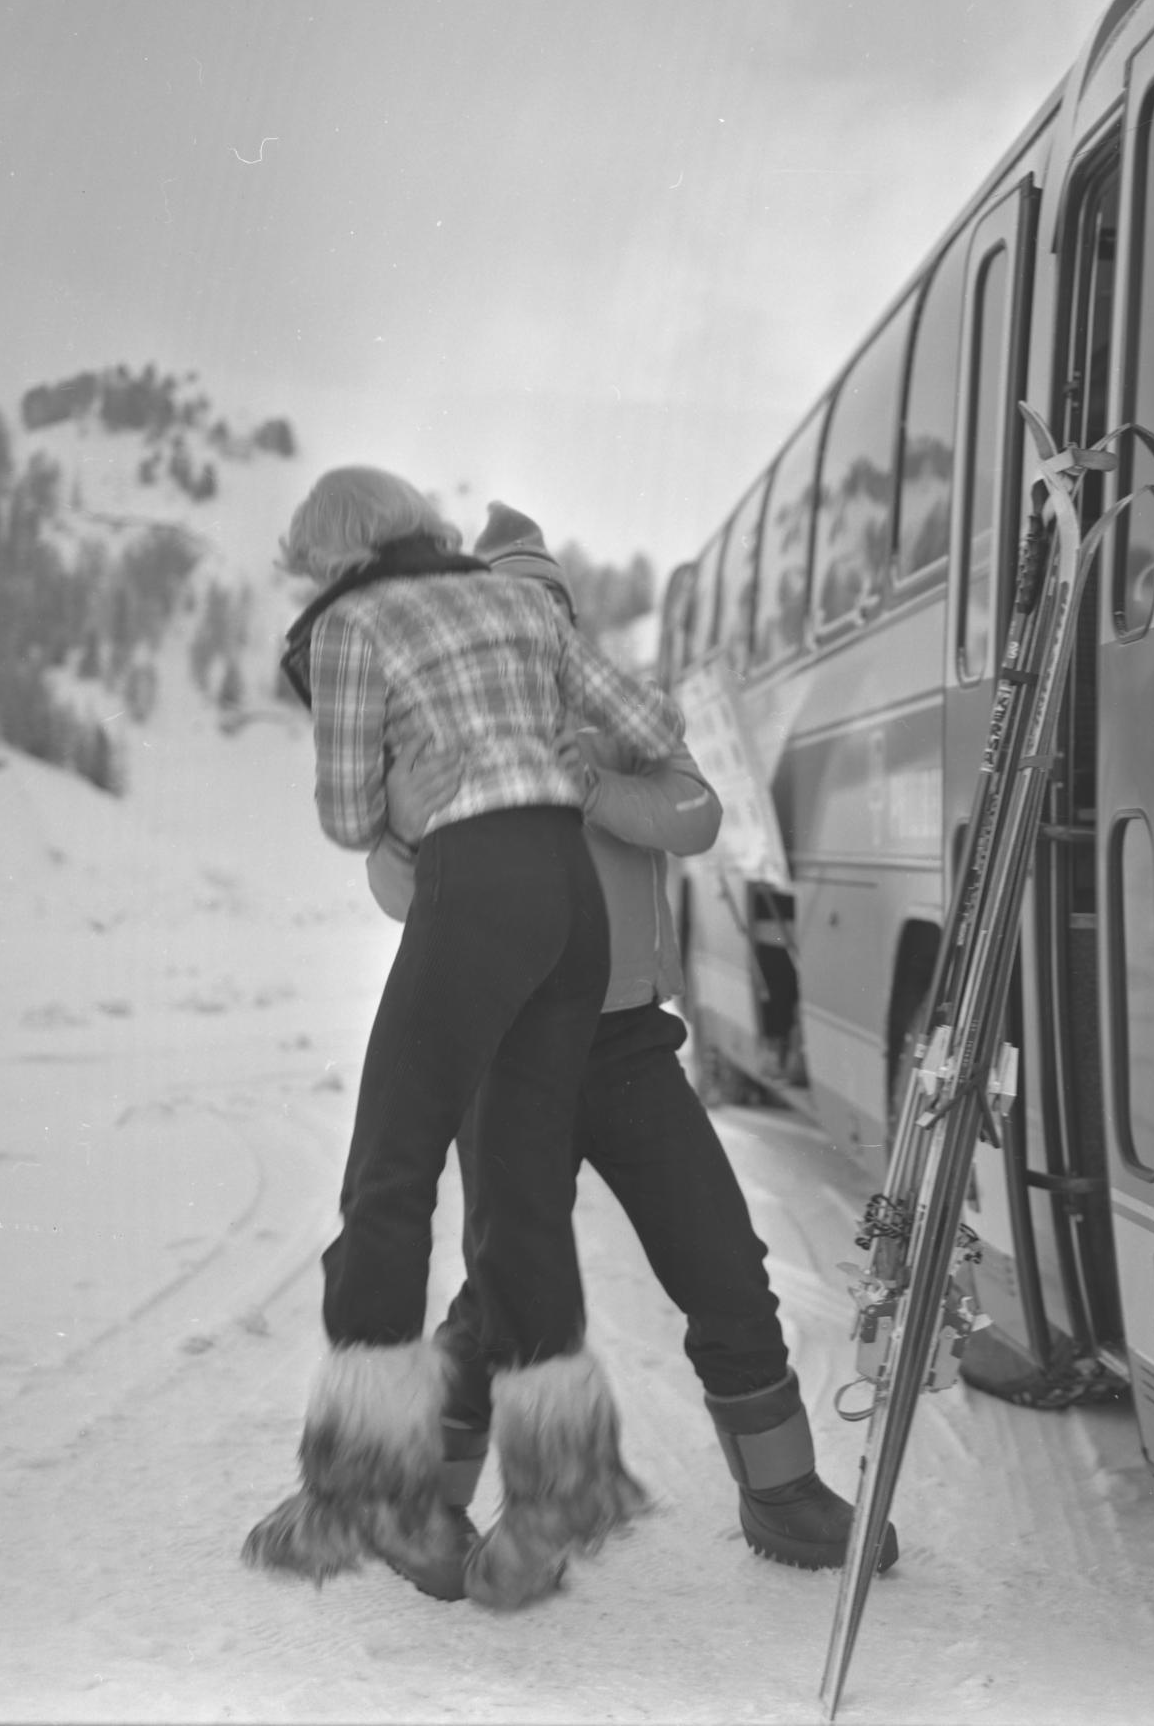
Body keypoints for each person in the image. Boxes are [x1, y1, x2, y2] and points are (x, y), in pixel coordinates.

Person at [368, 502, 898, 1580]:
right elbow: (392, 889)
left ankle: (783, 1493)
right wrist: (414, 823)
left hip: (623, 1048)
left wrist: (599, 788)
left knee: (722, 1261)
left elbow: (699, 816)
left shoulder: (616, 716)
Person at [242, 468, 684, 1611]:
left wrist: (398, 784)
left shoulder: (350, 621)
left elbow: (350, 816)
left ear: (337, 556)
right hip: (569, 904)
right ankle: (553, 1501)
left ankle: (371, 1493)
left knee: (389, 1175)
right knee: (521, 1201)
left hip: (474, 889)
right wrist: (551, 750)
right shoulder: (521, 602)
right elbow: (651, 726)